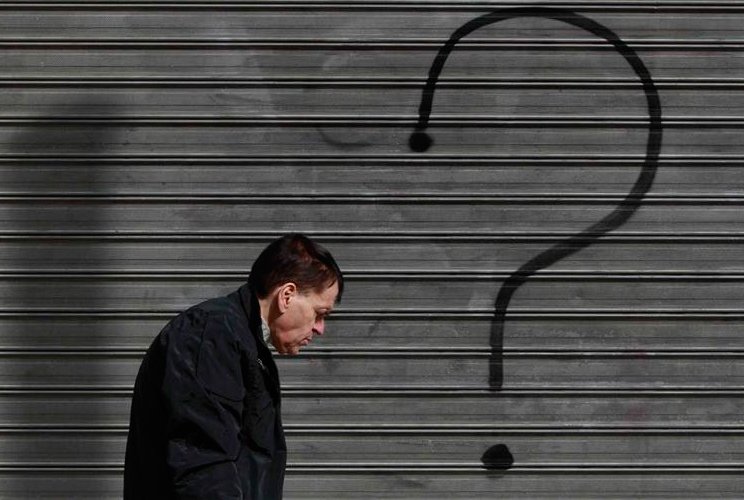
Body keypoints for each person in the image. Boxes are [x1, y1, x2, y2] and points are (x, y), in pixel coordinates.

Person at [123, 234, 343, 499]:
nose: (320, 328)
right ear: (287, 295)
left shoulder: (241, 341)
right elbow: (204, 464)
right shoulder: (213, 334)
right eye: (319, 313)